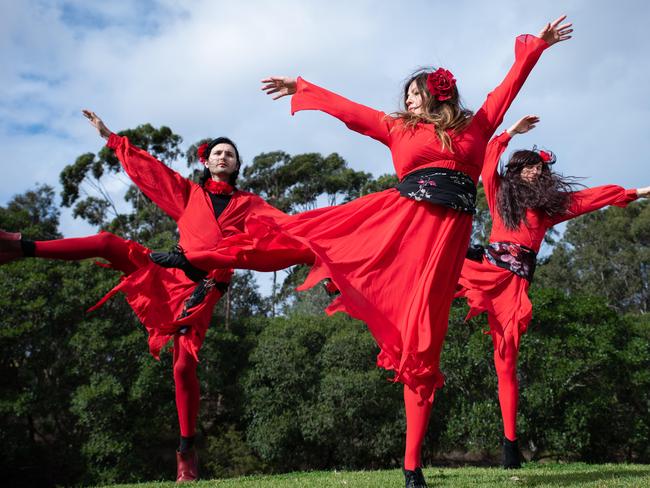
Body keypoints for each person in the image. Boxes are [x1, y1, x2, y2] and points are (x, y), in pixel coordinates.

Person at [153, 16, 572, 487]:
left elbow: (507, 86)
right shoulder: (397, 128)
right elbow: (350, 111)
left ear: (438, 94)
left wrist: (538, 44)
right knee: (301, 238)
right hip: (397, 225)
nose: (409, 100)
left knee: (423, 350)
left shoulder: (478, 126)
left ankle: (412, 467)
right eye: (408, 96)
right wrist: (302, 87)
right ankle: (201, 258)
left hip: (442, 250)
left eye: (415, 93)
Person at [0, 110, 290, 482]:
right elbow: (148, 170)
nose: (223, 156)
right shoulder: (189, 193)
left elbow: (289, 228)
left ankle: (186, 450)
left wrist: (326, 258)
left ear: (236, 165)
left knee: (184, 366)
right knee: (106, 242)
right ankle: (19, 246)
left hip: (202, 289)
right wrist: (111, 137)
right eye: (217, 152)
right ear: (207, 160)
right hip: (168, 271)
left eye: (230, 154)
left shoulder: (250, 205)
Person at [456, 114, 649, 468]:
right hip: (485, 271)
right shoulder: (499, 192)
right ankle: (359, 277)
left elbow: (590, 198)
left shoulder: (547, 210)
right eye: (528, 167)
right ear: (516, 171)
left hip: (513, 290)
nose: (535, 172)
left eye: (539, 169)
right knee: (432, 264)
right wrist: (512, 131)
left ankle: (510, 445)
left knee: (506, 364)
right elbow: (487, 158)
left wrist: (636, 192)